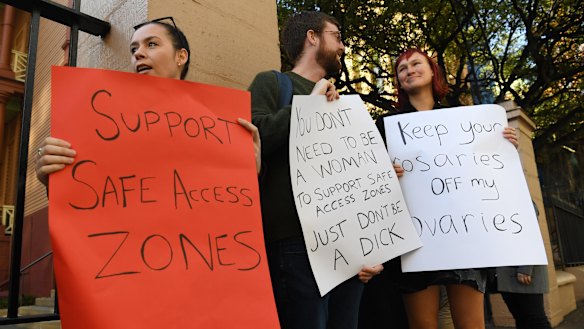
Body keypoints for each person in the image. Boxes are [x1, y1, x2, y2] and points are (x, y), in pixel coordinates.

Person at [249, 11, 382, 329]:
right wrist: (308, 103)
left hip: (347, 245)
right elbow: (256, 137)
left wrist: (370, 248)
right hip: (295, 243)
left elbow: (356, 180)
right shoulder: (272, 82)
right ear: (312, 37)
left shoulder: (343, 103)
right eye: (337, 36)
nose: (343, 47)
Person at [374, 48, 518, 329]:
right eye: (401, 68)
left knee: (471, 325)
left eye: (416, 64)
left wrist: (504, 146)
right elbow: (370, 180)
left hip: (462, 238)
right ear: (398, 80)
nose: (408, 70)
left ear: (432, 72)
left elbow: (486, 169)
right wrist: (384, 173)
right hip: (414, 241)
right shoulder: (385, 126)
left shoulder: (464, 120)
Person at [36, 17, 261, 184]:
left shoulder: (219, 125)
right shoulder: (102, 119)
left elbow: (228, 200)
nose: (139, 53)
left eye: (151, 44)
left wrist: (251, 170)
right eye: (134, 48)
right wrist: (52, 171)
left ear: (181, 56)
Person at [492, 202, 551, 329]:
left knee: (536, 320)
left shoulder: (520, 196)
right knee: (522, 319)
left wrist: (526, 266)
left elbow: (530, 232)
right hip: (505, 271)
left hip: (523, 271)